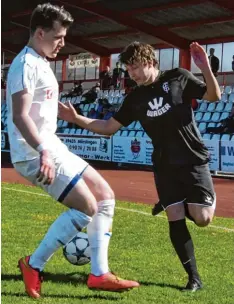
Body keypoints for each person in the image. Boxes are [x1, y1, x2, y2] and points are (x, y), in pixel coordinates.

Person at [59, 41, 221, 292]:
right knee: (175, 217)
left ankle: (186, 203)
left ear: (149, 61)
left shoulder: (178, 77)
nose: (131, 74)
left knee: (202, 219)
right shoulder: (135, 98)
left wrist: (205, 68)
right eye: (128, 69)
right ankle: (193, 278)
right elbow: (108, 128)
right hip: (164, 165)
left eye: (134, 67)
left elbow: (214, 96)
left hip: (192, 159)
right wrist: (76, 118)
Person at [6, 3, 139, 299]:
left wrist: (65, 118)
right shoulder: (25, 64)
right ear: (40, 32)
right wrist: (41, 150)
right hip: (34, 153)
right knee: (86, 207)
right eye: (58, 37)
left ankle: (99, 273)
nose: (63, 43)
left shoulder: (40, 60)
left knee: (105, 196)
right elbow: (20, 116)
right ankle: (33, 264)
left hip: (50, 145)